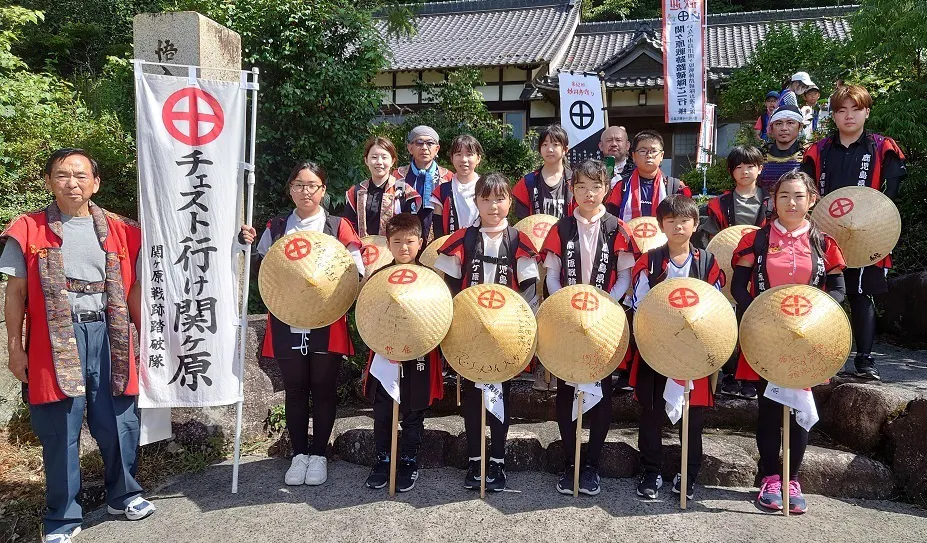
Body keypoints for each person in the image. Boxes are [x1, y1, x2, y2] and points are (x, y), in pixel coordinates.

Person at [1, 148, 155, 542]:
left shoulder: (123, 230)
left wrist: (147, 338)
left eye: (81, 175)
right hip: (53, 341)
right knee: (59, 428)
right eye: (62, 175)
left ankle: (124, 495)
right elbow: (15, 293)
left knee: (119, 417)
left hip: (110, 334)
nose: (72, 182)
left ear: (95, 183)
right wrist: (15, 348)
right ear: (49, 181)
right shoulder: (28, 229)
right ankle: (62, 518)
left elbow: (134, 289)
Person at [240, 161, 364, 487]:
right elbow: (262, 272)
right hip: (286, 318)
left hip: (327, 318)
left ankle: (319, 454)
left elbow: (355, 272)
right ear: (290, 189)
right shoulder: (277, 226)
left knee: (323, 388)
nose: (305, 191)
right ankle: (299, 454)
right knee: (294, 389)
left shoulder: (338, 226)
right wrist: (248, 247)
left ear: (323, 190)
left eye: (312, 185)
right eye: (299, 185)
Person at [730, 170, 847, 514]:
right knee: (769, 408)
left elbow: (838, 289)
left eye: (798, 196)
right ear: (773, 200)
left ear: (812, 200)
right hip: (766, 337)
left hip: (808, 338)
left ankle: (791, 479)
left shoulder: (824, 243)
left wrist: (817, 316)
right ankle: (770, 478)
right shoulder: (757, 240)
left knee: (798, 408)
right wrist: (760, 317)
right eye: (784, 196)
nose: (791, 203)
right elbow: (738, 287)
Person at [435, 173, 541, 492]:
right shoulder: (464, 239)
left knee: (501, 394)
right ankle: (474, 459)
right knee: (472, 394)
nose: (493, 206)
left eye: (500, 199)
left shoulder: (518, 240)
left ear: (509, 202)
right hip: (470, 330)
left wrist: (518, 328)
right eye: (486, 199)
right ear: (476, 202)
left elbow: (529, 292)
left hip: (505, 333)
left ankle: (497, 459)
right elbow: (450, 288)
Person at [539, 159, 635, 496]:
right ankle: (571, 462)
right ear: (572, 189)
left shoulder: (617, 228)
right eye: (581, 187)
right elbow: (551, 274)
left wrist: (605, 305)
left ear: (606, 189)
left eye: (595, 187)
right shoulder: (561, 227)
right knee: (567, 389)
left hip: (603, 321)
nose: (588, 193)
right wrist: (565, 304)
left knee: (602, 388)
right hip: (568, 319)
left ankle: (591, 464)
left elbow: (625, 276)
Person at [801, 84, 907, 380]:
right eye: (842, 110)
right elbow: (805, 190)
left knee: (861, 295)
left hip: (867, 233)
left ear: (867, 112)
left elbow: (892, 190)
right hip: (824, 234)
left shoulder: (883, 146)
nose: (849, 116)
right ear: (833, 115)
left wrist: (873, 221)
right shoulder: (817, 151)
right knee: (823, 295)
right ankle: (822, 357)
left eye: (856, 109)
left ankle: (864, 359)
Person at [628, 195, 725, 502]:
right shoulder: (650, 260)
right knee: (652, 413)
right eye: (670, 220)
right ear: (661, 225)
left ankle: (688, 472)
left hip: (695, 350)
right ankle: (651, 470)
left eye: (684, 220)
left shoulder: (707, 262)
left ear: (695, 225)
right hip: (656, 347)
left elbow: (716, 307)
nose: (678, 226)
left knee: (692, 417)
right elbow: (641, 304)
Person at [361, 213, 444, 493]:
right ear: (388, 244)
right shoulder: (379, 277)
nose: (404, 247)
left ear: (420, 243)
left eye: (410, 241)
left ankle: (408, 460)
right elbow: (368, 314)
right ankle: (383, 459)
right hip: (384, 351)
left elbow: (439, 314)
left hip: (419, 351)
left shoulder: (430, 278)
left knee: (413, 409)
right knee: (383, 409)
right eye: (397, 242)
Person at [696, 145, 772, 400]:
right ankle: (729, 372)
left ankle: (751, 374)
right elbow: (710, 239)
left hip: (763, 267)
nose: (744, 171)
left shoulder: (771, 202)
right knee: (728, 319)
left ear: (760, 168)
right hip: (728, 266)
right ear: (731, 171)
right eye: (738, 167)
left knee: (755, 319)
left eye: (750, 166)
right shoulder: (720, 203)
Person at [344, 136, 422, 238]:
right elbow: (348, 226)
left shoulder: (403, 190)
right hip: (361, 247)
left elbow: (411, 227)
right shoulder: (357, 191)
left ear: (392, 161)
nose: (379, 162)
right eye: (374, 157)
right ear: (366, 160)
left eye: (384, 157)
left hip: (395, 247)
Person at [605, 130, 691, 221]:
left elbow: (687, 219)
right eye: (643, 151)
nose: (649, 155)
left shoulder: (676, 187)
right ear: (634, 156)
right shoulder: (621, 187)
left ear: (661, 156)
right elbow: (611, 220)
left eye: (654, 151)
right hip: (628, 230)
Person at [392, 125, 454, 242]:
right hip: (405, 238)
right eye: (419, 143)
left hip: (438, 238)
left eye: (430, 143)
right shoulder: (398, 176)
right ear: (410, 148)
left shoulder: (448, 177)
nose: (424, 148)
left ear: (437, 149)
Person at [513, 124, 573, 220]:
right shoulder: (527, 182)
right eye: (545, 145)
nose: (549, 149)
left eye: (555, 144)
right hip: (536, 229)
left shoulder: (575, 181)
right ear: (540, 150)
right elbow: (522, 220)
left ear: (565, 150)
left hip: (568, 230)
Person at [432, 134, 482, 238]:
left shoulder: (487, 188)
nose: (464, 159)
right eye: (458, 154)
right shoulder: (442, 191)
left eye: (469, 154)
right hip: (451, 245)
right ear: (451, 158)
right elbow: (437, 226)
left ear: (478, 158)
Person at [757, 105, 805, 192]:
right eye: (778, 124)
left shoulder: (808, 154)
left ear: (800, 127)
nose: (784, 128)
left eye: (790, 123)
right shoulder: (759, 155)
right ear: (771, 128)